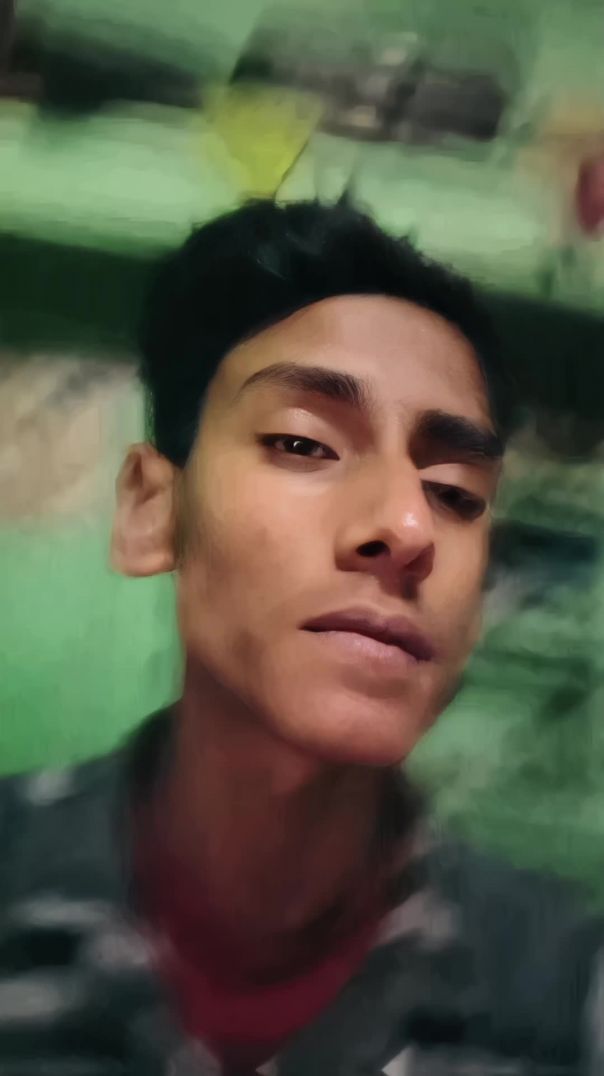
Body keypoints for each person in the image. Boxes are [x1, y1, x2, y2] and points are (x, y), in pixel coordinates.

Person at [0, 199, 601, 1076]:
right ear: (151, 511)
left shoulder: (564, 1000)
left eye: (455, 493)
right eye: (304, 443)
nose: (407, 526)